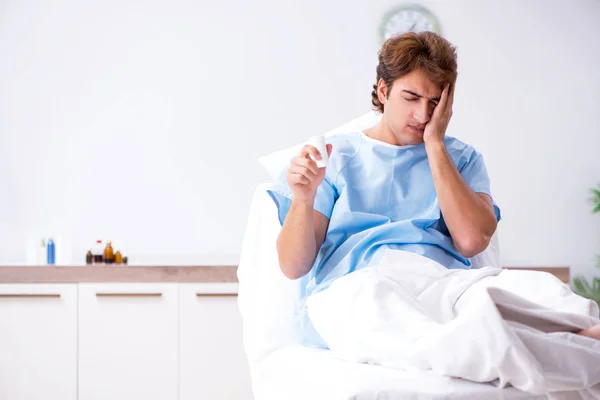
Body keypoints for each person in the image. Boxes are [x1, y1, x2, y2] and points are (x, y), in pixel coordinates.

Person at [266, 30, 600, 356]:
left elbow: (472, 241)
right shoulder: (332, 156)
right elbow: (294, 266)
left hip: (441, 283)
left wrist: (435, 144)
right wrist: (304, 198)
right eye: (411, 98)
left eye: (435, 103)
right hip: (360, 286)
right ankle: (546, 347)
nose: (423, 115)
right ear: (383, 91)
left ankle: (562, 337)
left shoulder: (461, 159)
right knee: (382, 302)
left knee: (536, 290)